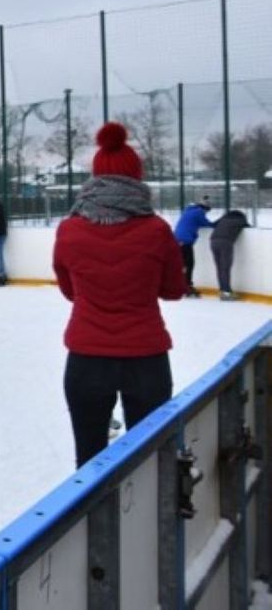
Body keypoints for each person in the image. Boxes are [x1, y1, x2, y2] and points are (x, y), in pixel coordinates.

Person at [52, 122, 186, 468]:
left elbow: (69, 291)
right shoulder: (157, 230)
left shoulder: (69, 230)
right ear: (137, 180)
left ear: (95, 179)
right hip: (146, 357)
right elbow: (173, 291)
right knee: (148, 461)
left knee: (89, 460)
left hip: (86, 357)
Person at [173, 195, 213, 297]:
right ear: (205, 209)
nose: (206, 214)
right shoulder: (199, 212)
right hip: (185, 241)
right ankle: (187, 286)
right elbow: (207, 223)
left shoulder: (189, 210)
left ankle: (180, 285)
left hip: (176, 239)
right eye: (206, 211)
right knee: (189, 264)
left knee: (182, 265)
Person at [209, 209, 250, 301]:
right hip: (225, 242)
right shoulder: (240, 220)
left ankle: (222, 290)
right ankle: (226, 292)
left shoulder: (223, 219)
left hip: (213, 241)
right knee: (225, 268)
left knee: (219, 267)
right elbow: (247, 225)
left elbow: (214, 224)